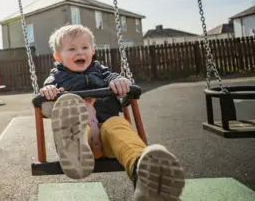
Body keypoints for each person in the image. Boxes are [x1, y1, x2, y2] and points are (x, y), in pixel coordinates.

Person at [39, 24, 185, 201]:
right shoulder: (56, 79)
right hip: (83, 139)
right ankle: (74, 149)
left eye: (85, 47)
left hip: (108, 139)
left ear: (92, 51)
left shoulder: (102, 73)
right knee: (70, 116)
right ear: (58, 56)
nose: (79, 52)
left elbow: (114, 78)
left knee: (118, 126)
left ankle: (143, 172)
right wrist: (49, 92)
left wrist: (121, 82)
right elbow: (46, 100)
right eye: (71, 49)